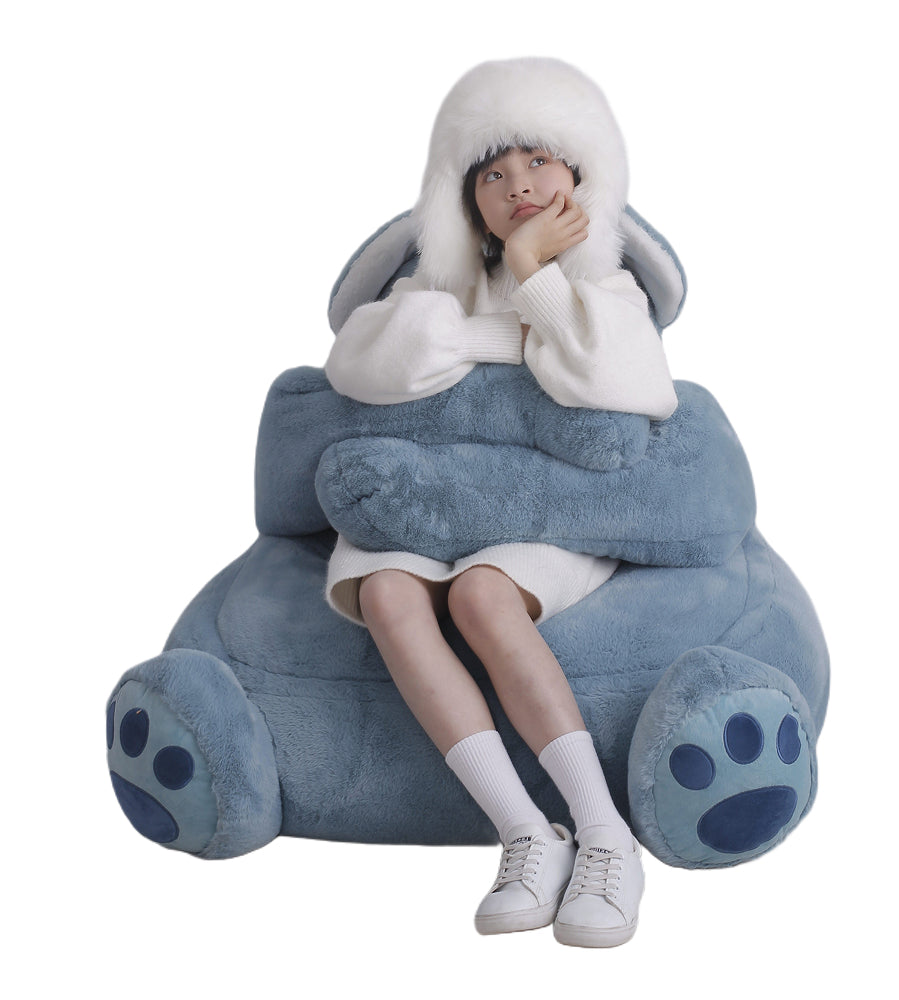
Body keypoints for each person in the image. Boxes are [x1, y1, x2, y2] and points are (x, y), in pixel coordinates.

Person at [323, 58, 677, 948]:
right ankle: (526, 832)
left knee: (482, 594)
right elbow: (359, 361)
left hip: (538, 512)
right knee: (386, 591)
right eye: (492, 172)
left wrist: (532, 272)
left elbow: (623, 382)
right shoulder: (433, 285)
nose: (518, 185)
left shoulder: (611, 285)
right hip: (431, 505)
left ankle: (603, 833)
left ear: (582, 175)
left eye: (538, 161)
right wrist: (504, 333)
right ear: (462, 198)